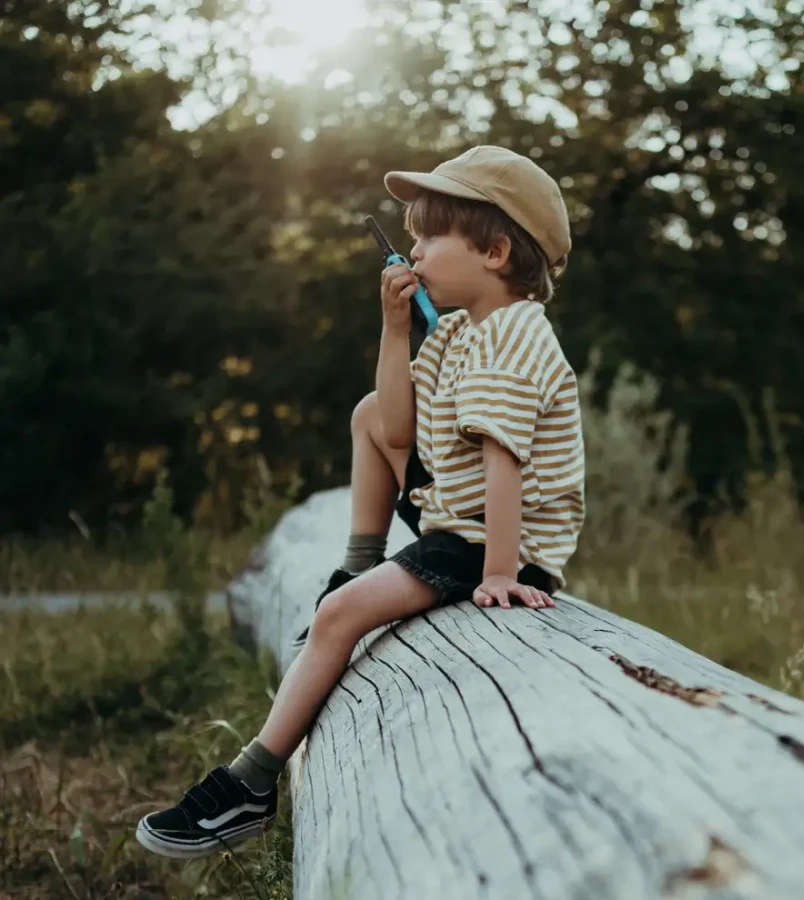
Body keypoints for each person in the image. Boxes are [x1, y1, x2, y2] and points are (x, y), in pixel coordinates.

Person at [135, 145, 586, 859]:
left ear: (496, 252)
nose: (414, 251)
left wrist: (501, 573)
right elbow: (399, 428)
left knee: (338, 617)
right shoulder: (461, 331)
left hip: (493, 544)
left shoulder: (515, 337)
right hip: (461, 515)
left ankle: (251, 783)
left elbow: (505, 461)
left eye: (430, 237)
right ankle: (358, 561)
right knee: (370, 412)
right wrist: (395, 328)